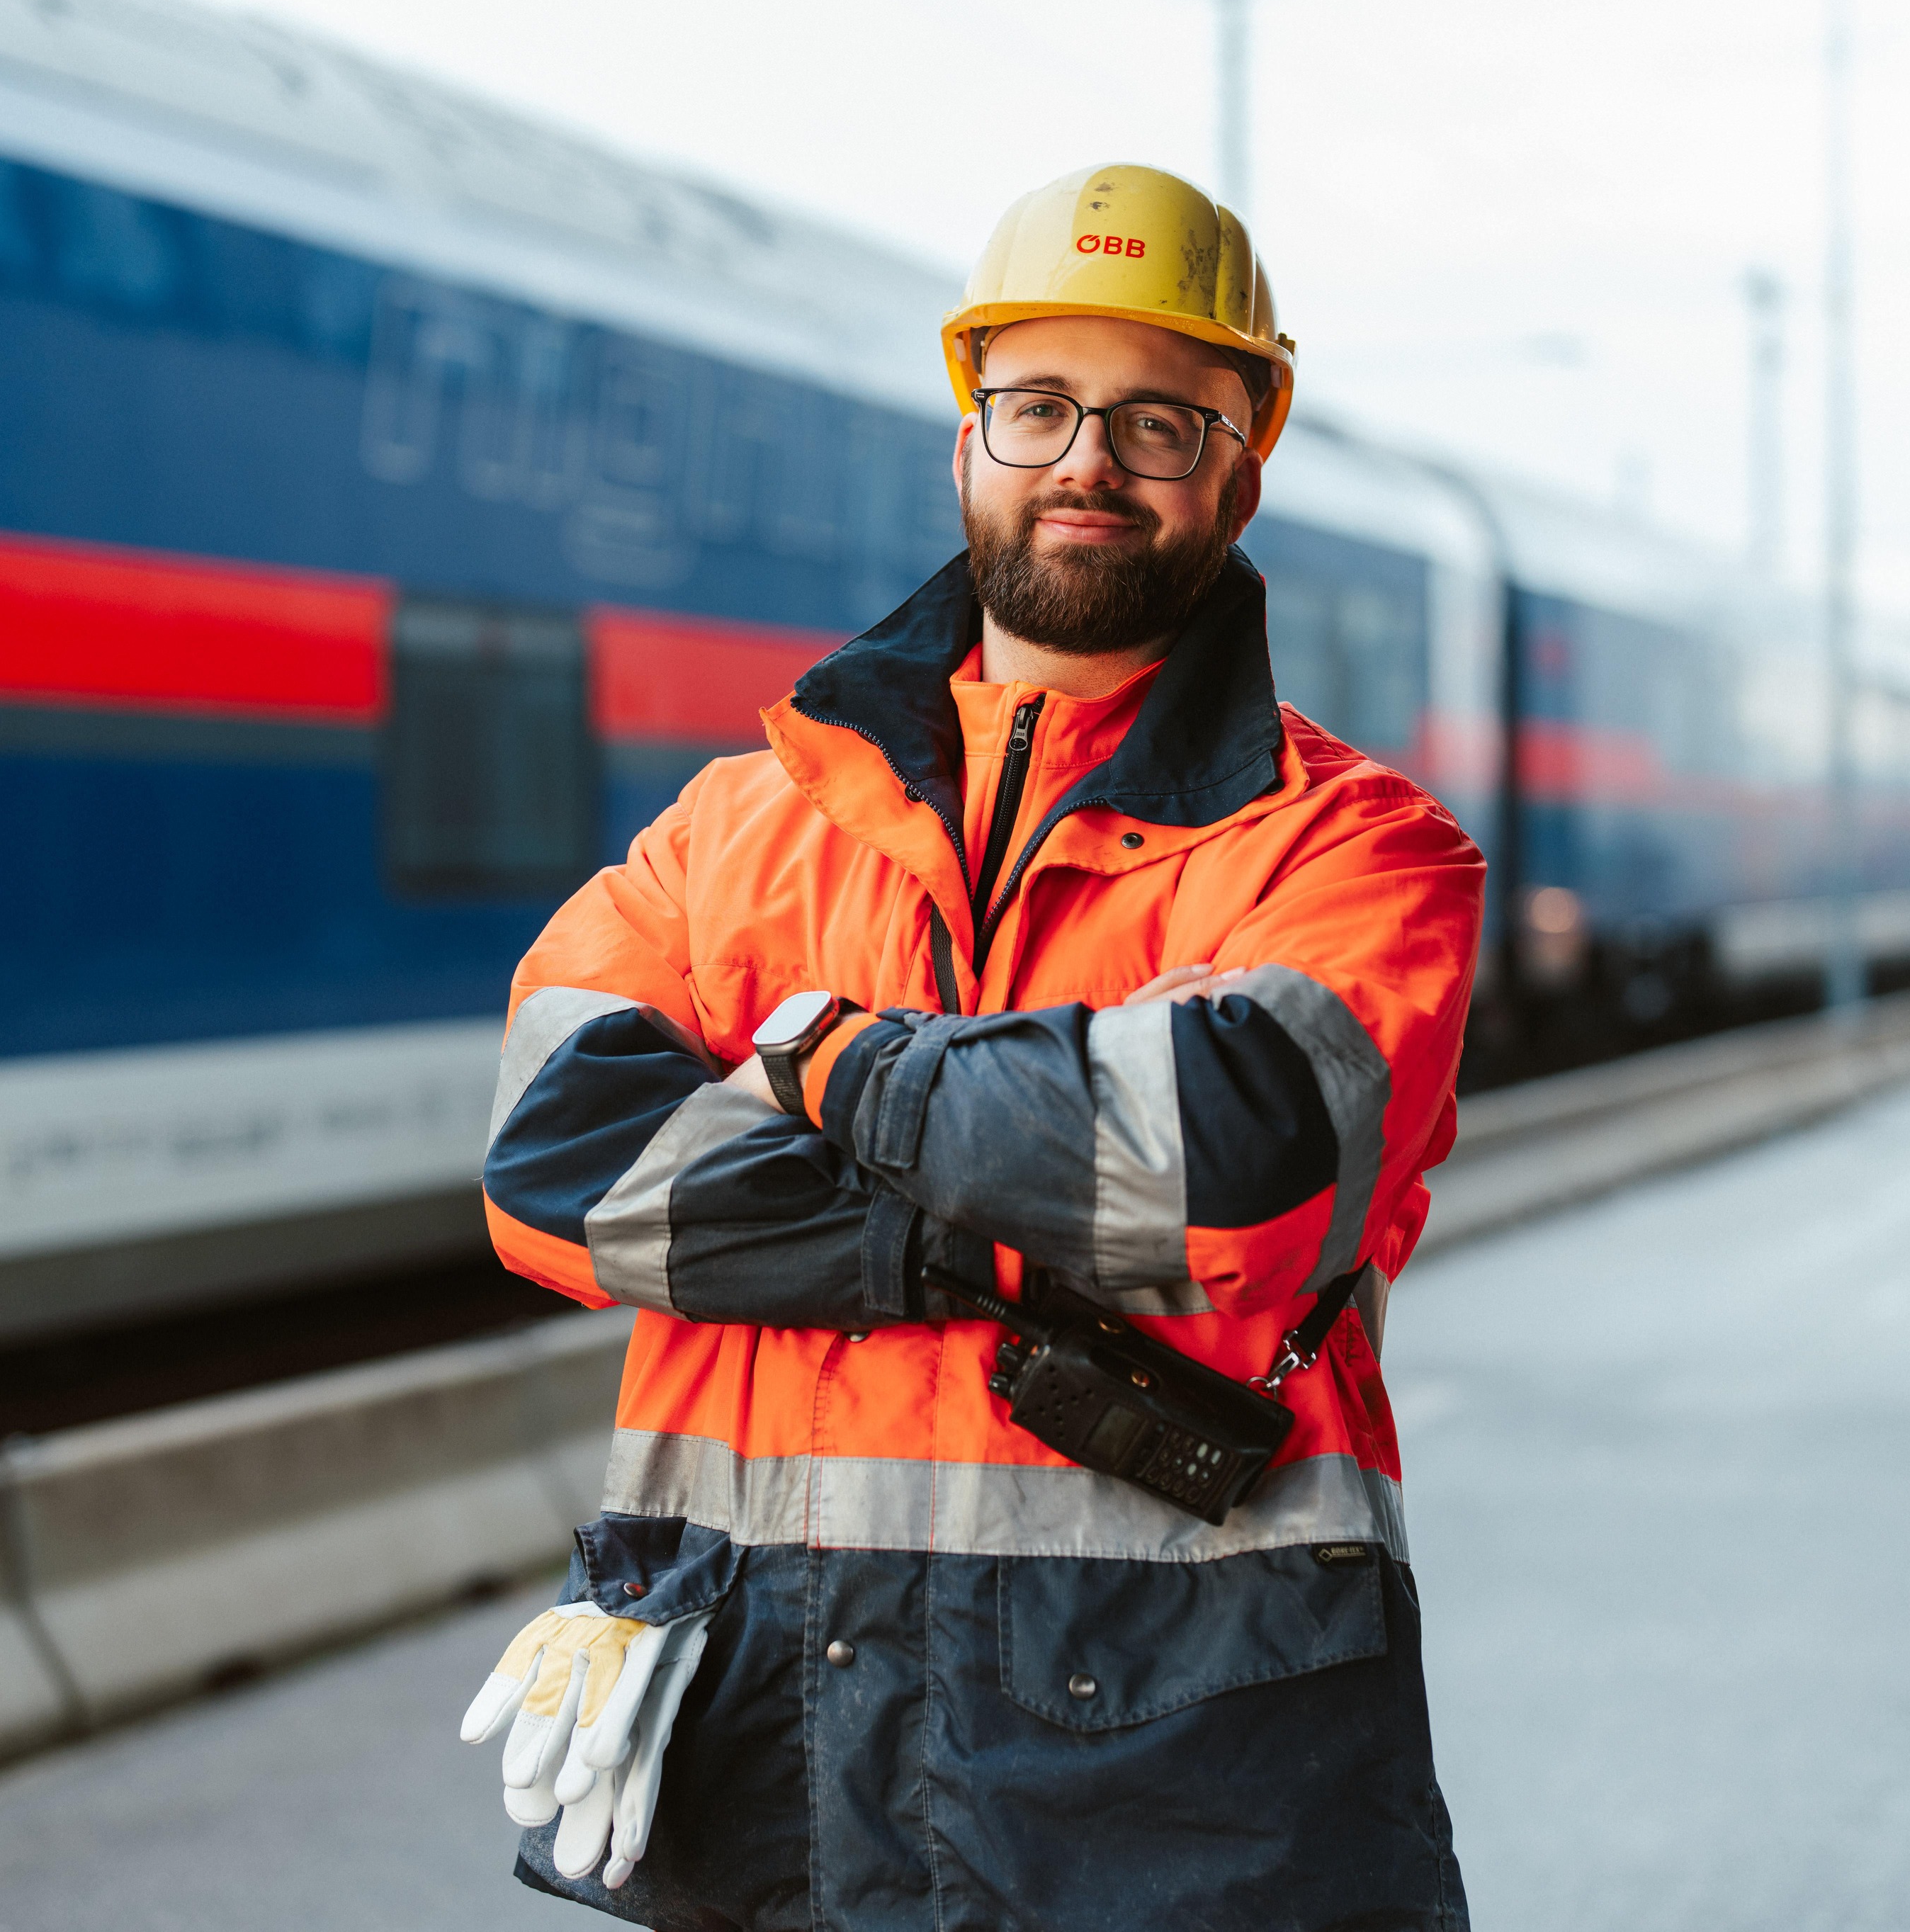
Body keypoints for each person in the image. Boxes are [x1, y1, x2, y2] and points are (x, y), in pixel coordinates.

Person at [465, 164, 1482, 1931]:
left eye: (1156, 420)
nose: (1085, 457)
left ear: (1238, 472)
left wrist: (826, 1065)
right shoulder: (734, 826)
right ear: (964, 444)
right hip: (773, 1749)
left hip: (1185, 1793)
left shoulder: (1357, 852)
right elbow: (556, 1170)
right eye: (1036, 406)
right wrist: (985, 1204)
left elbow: (1225, 1170)